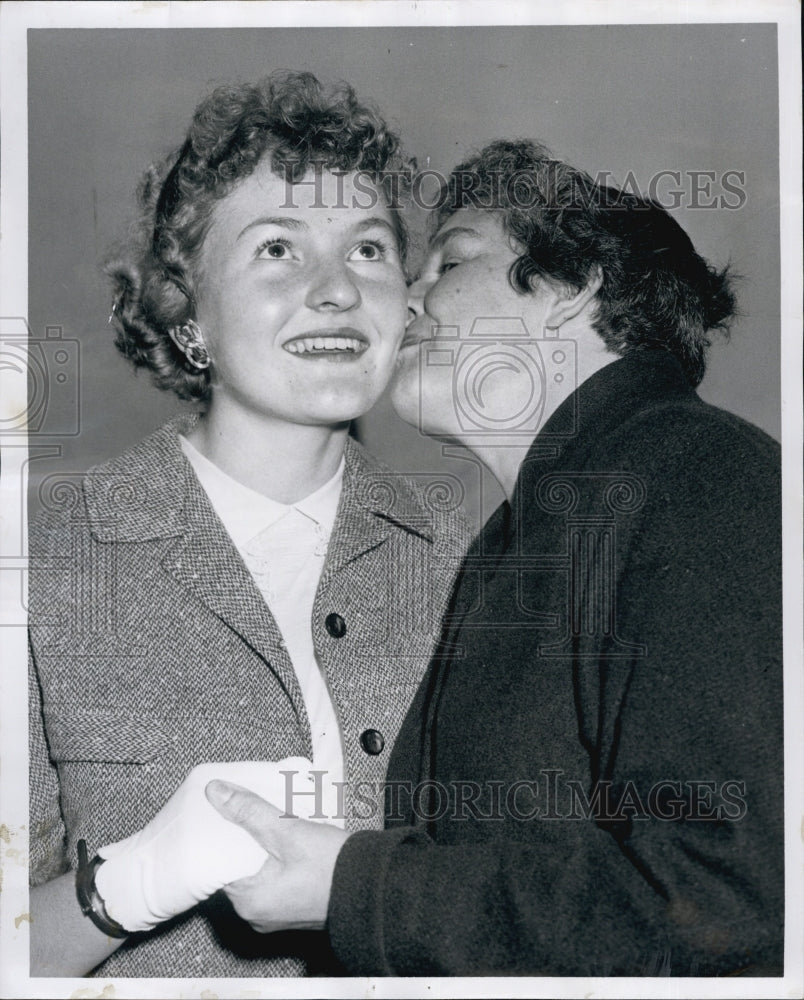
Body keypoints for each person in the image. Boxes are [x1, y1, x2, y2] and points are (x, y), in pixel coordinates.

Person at [205, 139, 784, 976]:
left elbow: (724, 907)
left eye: (450, 261)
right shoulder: (521, 539)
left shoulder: (707, 480)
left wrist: (355, 887)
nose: (403, 300)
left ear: (570, 286)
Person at [27, 72, 469, 978]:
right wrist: (126, 884)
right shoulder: (45, 558)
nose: (337, 290)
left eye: (370, 249)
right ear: (188, 314)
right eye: (278, 248)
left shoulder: (478, 562)